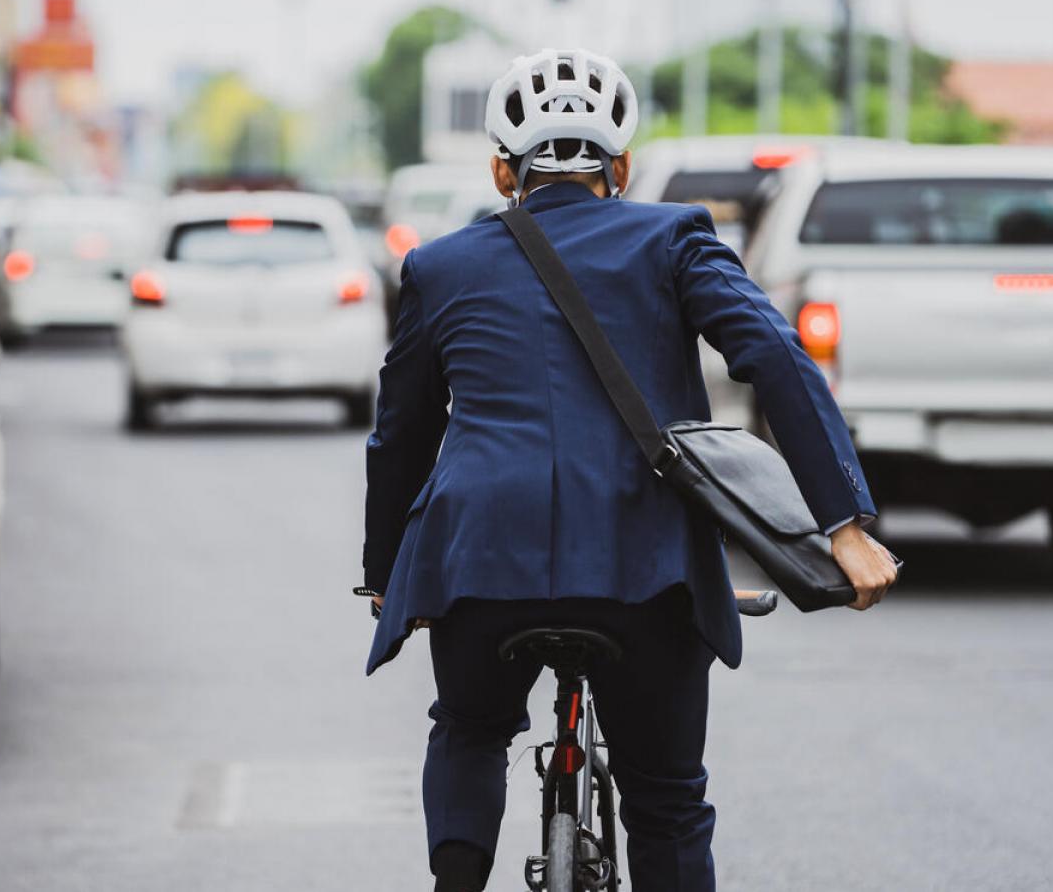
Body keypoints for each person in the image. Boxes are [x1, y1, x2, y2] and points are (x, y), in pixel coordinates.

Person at [360, 49, 897, 892]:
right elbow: (775, 358)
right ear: (622, 167)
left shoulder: (439, 266)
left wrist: (387, 569)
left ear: (502, 170)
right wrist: (845, 523)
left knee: (469, 730)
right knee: (667, 799)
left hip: (480, 558)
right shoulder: (676, 238)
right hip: (644, 566)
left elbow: (401, 433)